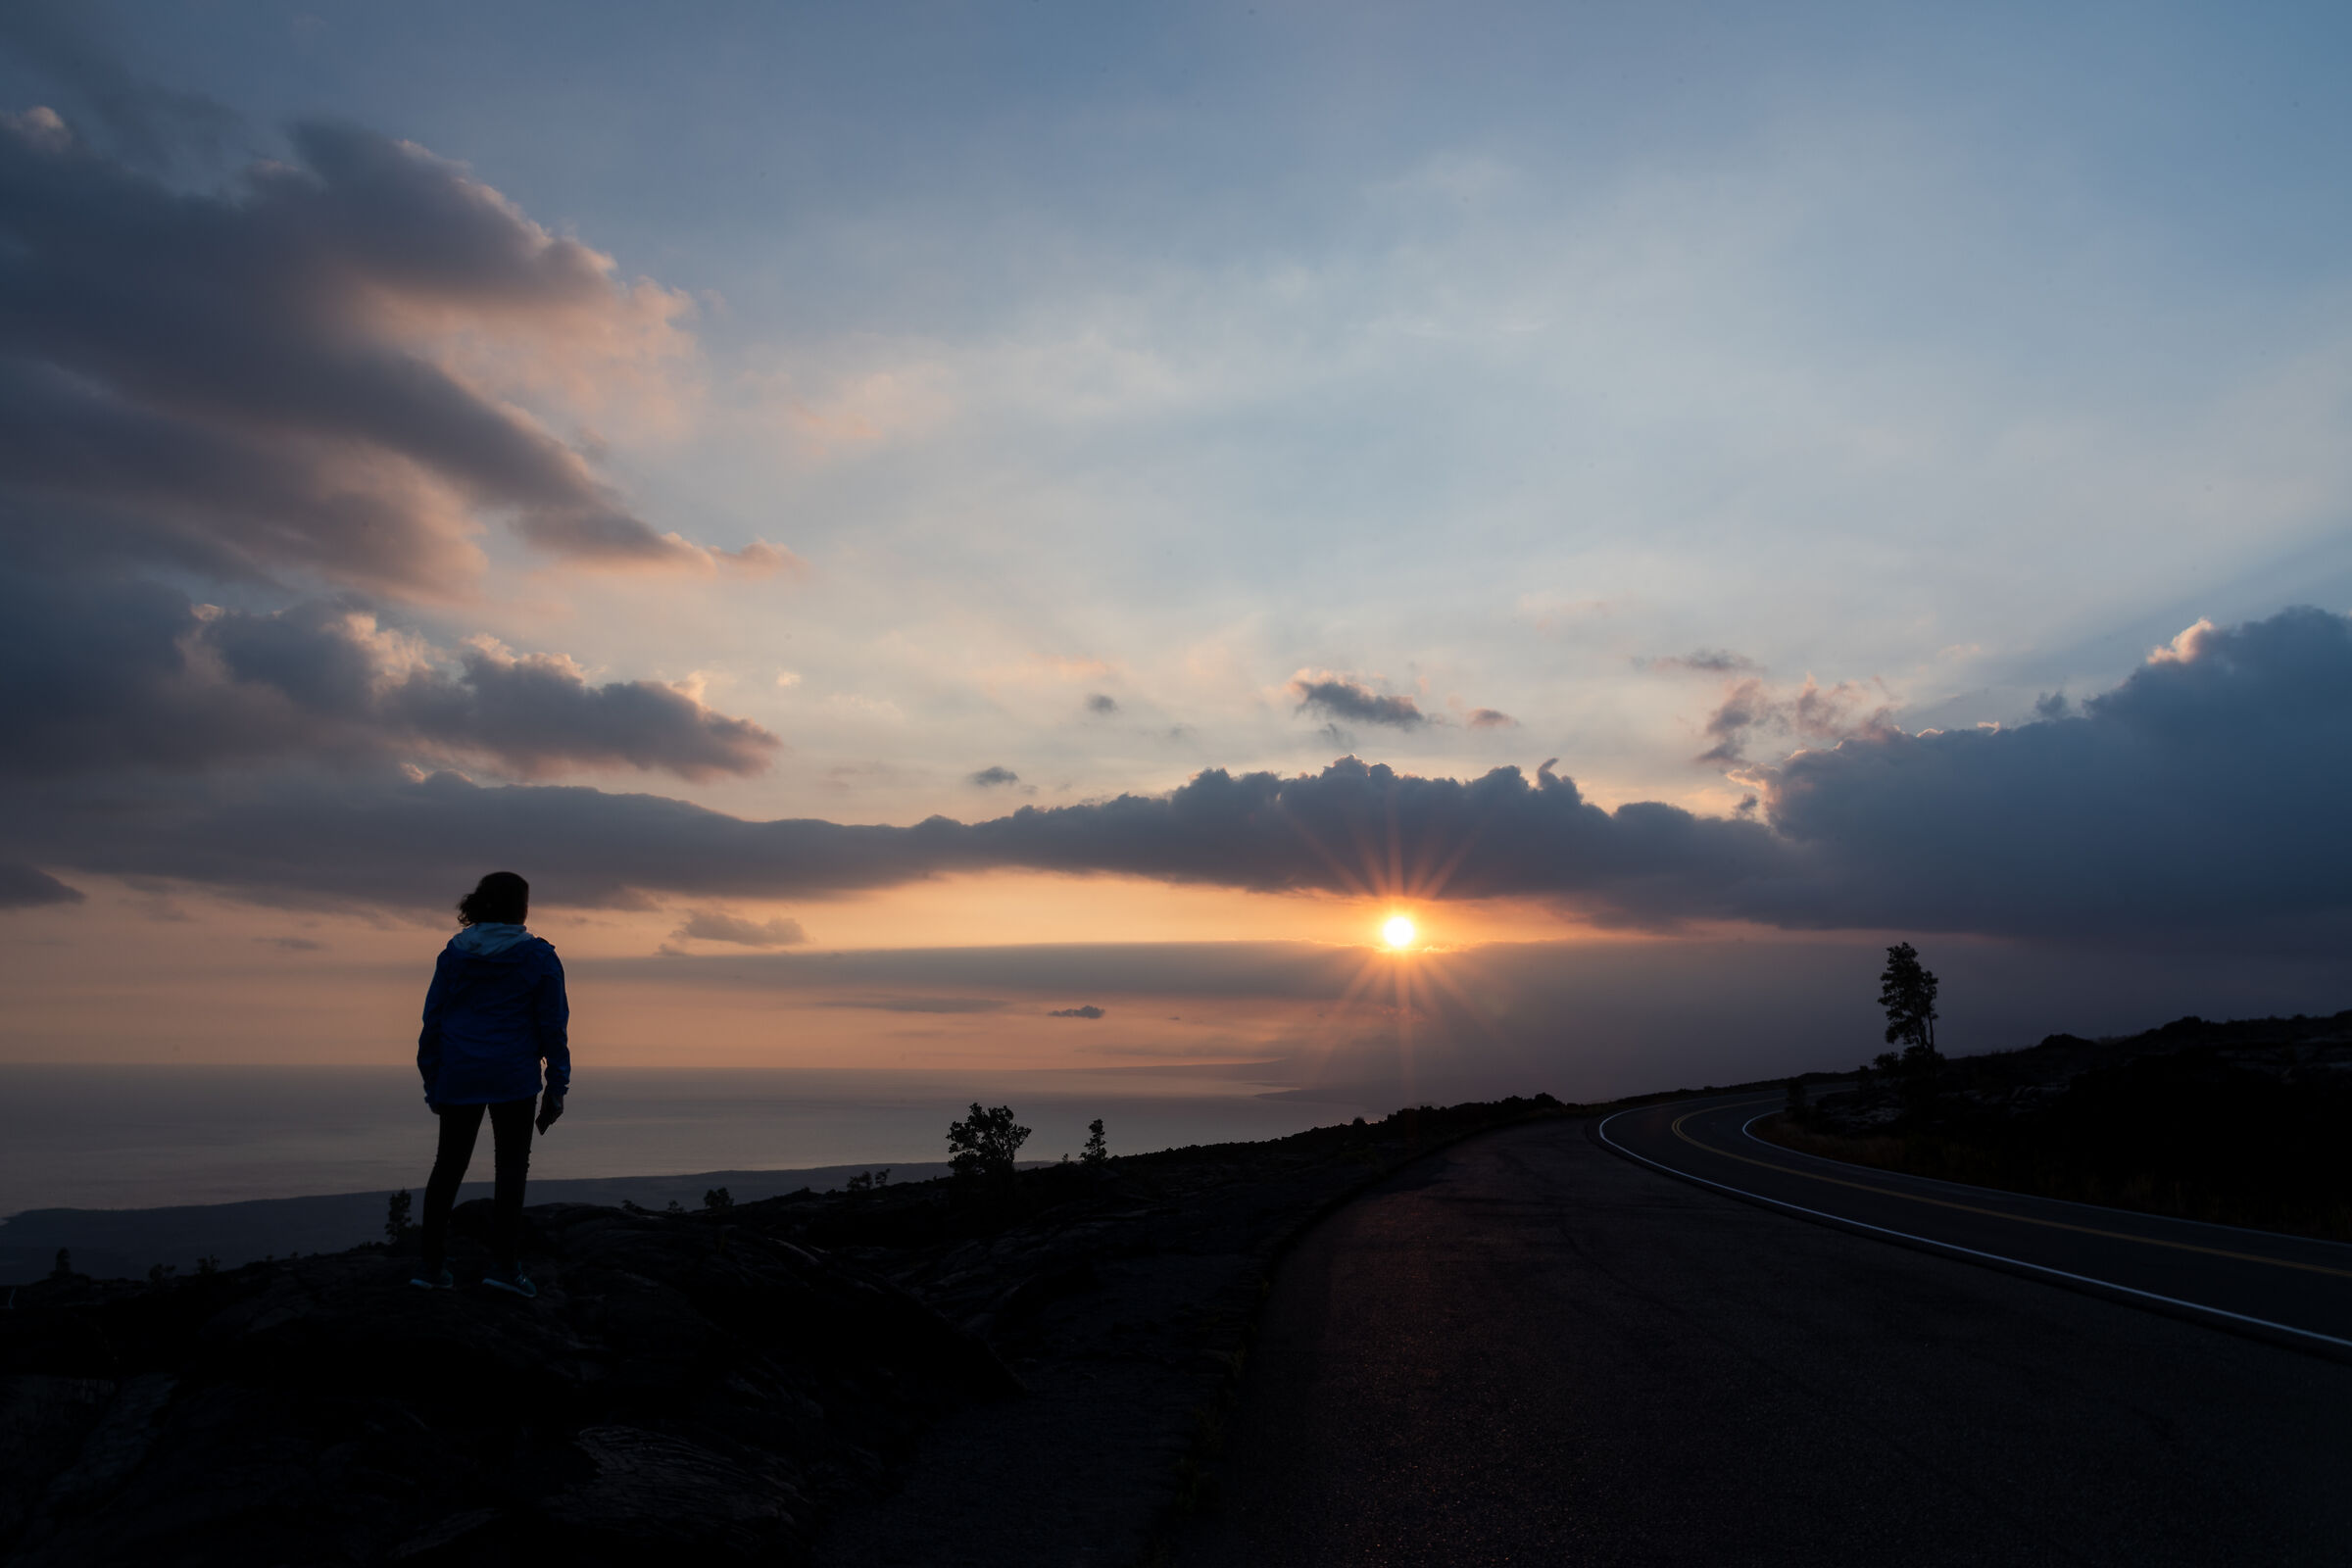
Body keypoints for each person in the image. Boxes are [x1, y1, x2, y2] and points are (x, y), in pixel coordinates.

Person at [411, 870, 569, 1298]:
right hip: (512, 1075)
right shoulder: (538, 956)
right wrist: (557, 1086)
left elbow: (433, 1021)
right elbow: (553, 1027)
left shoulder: (454, 954)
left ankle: (430, 1266)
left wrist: (433, 1081)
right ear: (521, 908)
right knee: (511, 1167)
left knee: (448, 1166)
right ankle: (504, 1268)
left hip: (459, 1072)